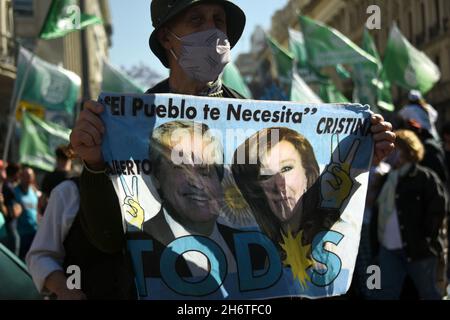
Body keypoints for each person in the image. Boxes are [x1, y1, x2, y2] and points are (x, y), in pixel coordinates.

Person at [68, 0, 395, 299]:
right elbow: (107, 237)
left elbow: (300, 217)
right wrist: (96, 163)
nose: (212, 30)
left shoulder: (259, 126)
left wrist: (357, 160)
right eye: (196, 20)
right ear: (167, 38)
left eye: (218, 20)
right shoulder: (132, 125)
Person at [230, 128, 358, 248]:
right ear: (257, 189)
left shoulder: (341, 236)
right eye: (267, 176)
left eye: (286, 168)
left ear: (307, 174)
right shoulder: (248, 244)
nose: (280, 184)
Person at [374, 130, 448, 300]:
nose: (390, 154)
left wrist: (426, 238)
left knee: (430, 293)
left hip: (419, 251)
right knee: (383, 293)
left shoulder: (424, 177)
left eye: (395, 149)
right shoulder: (387, 179)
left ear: (407, 150)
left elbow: (438, 210)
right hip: (388, 249)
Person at [39, 145, 73, 217]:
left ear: (57, 159)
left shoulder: (49, 176)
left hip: (53, 215)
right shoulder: (75, 177)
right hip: (72, 217)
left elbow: (43, 201)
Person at [14, 166, 39, 260]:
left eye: (30, 176)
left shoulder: (33, 191)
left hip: (34, 232)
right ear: (21, 176)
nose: (28, 178)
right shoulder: (15, 191)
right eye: (26, 175)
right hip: (22, 234)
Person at [2, 163, 21, 256]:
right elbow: (13, 212)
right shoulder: (8, 188)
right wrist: (19, 208)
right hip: (9, 229)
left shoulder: (8, 186)